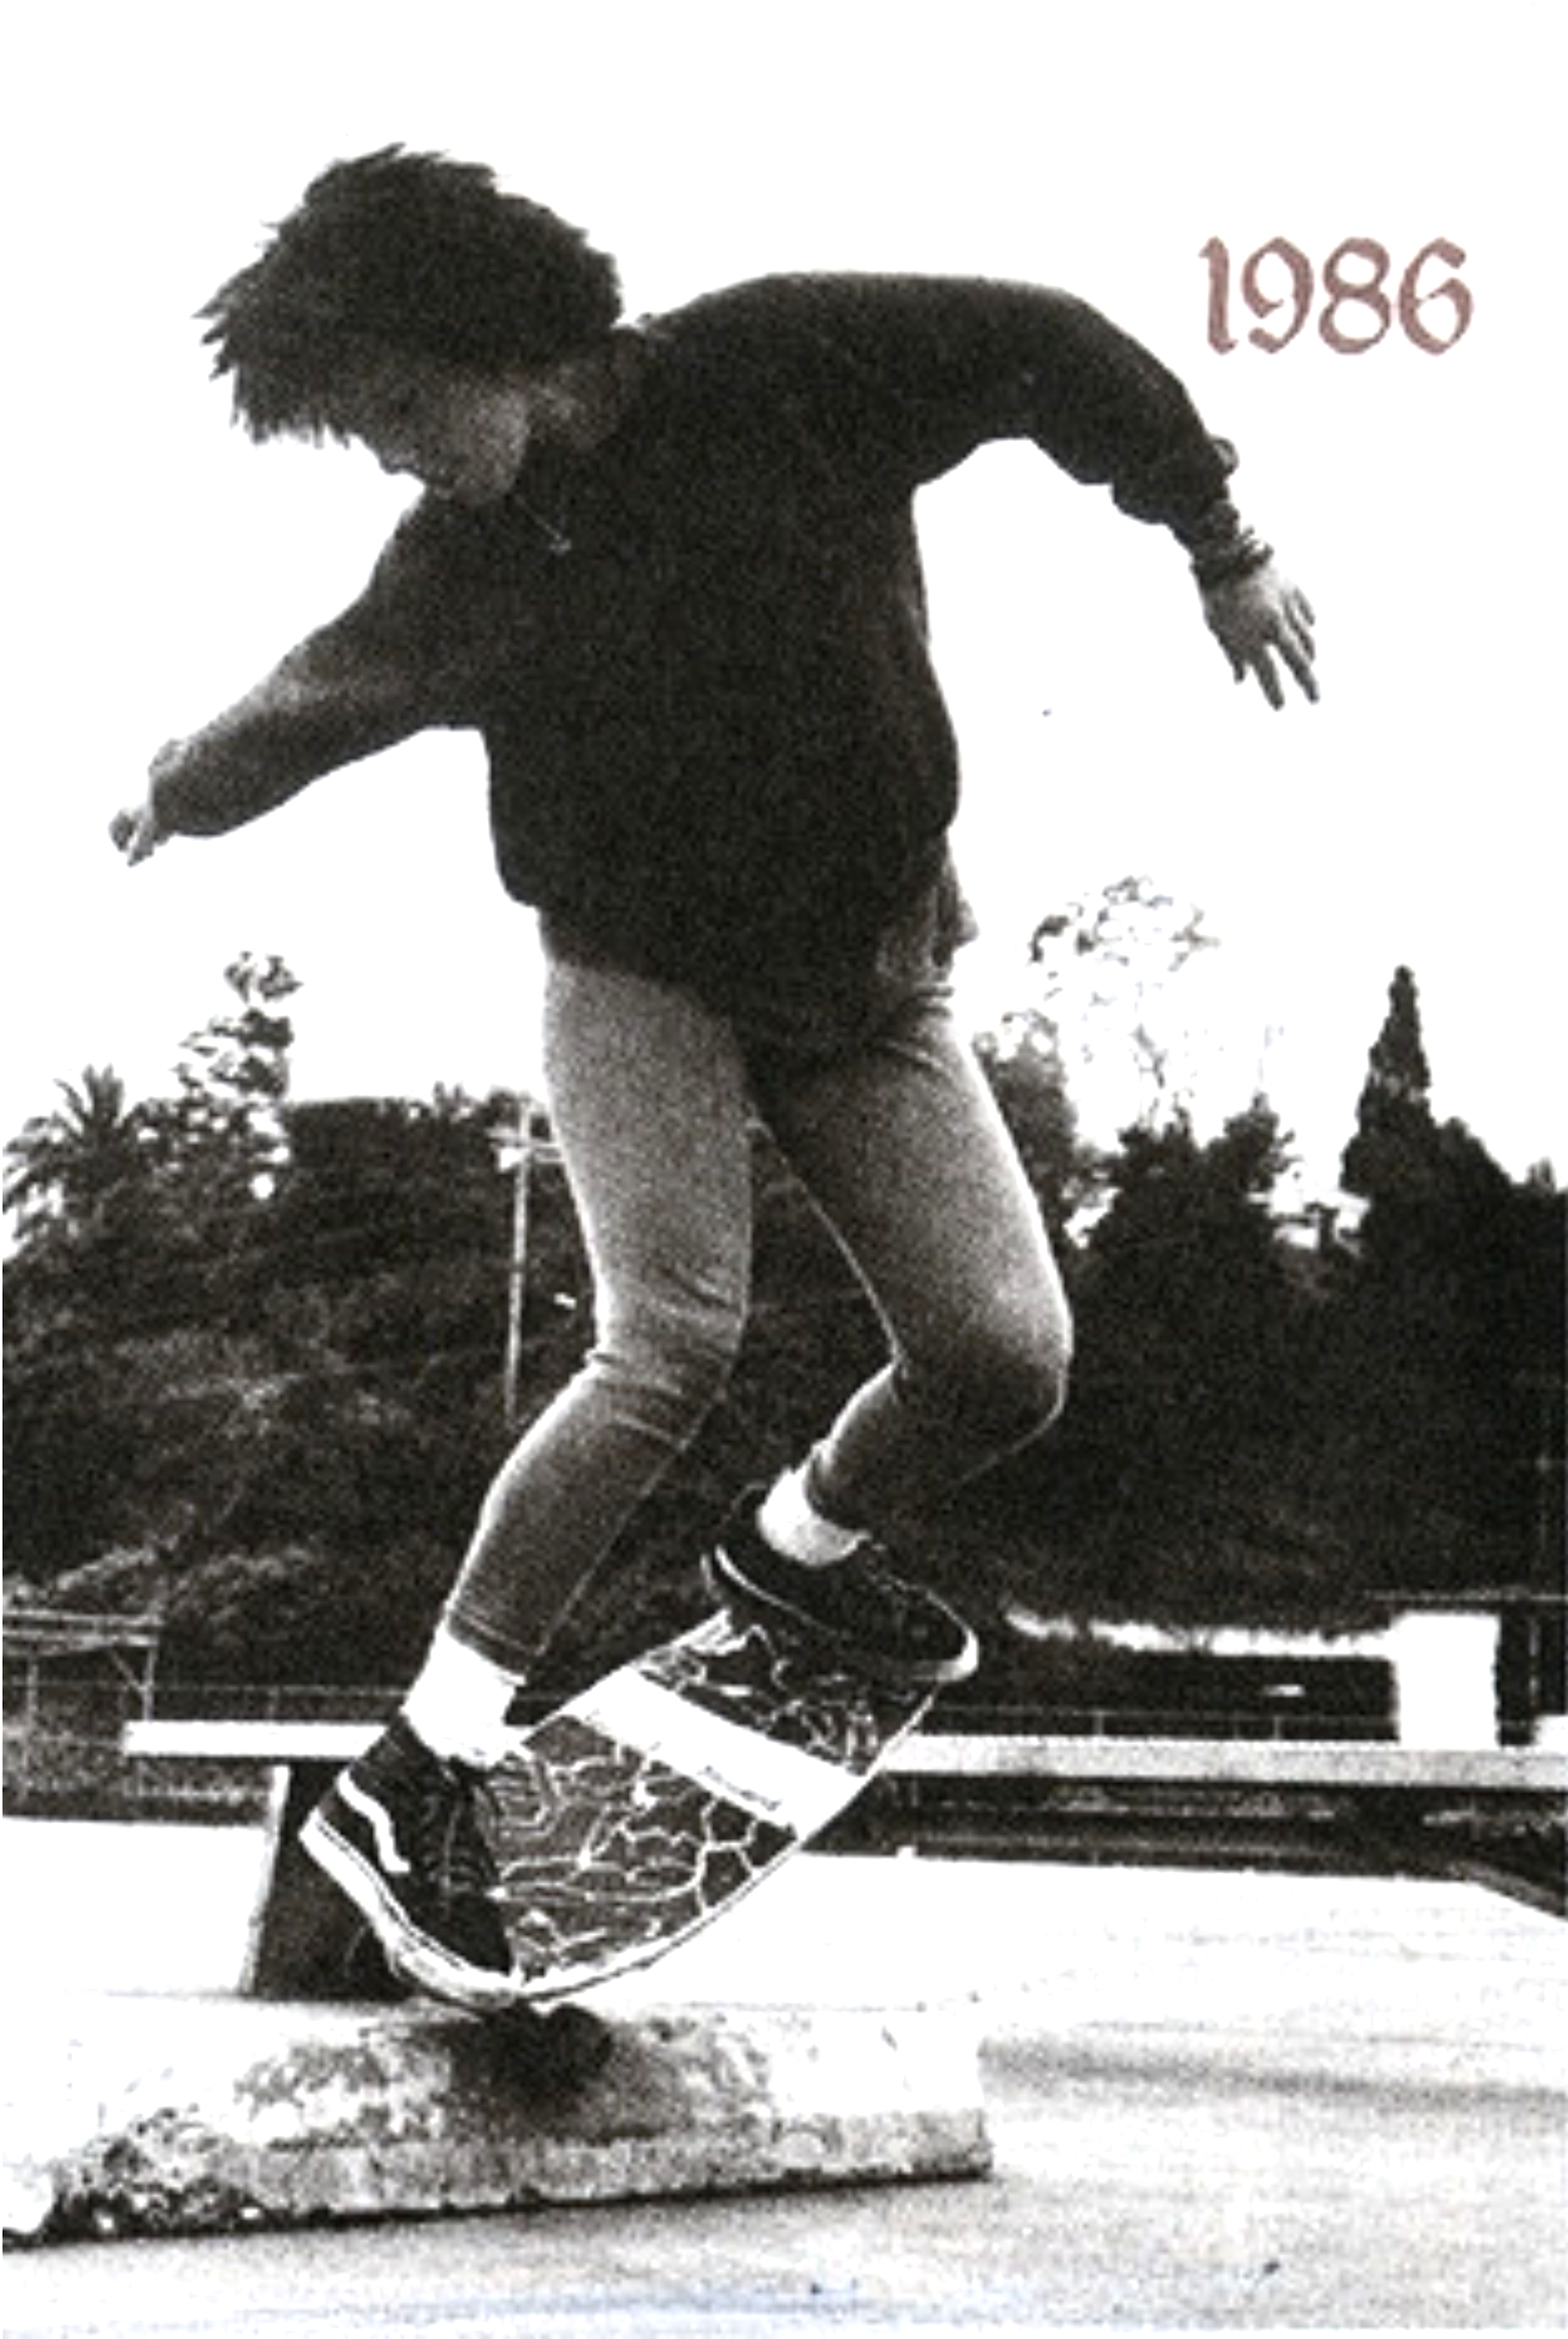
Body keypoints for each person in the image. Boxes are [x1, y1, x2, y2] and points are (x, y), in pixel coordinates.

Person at [112, 147, 1317, 2009]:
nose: (403, 459)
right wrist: (177, 786)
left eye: (409, 410)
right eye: (366, 437)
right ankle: (423, 1758)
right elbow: (319, 692)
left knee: (1005, 1355)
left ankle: (796, 1551)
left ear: (506, 335)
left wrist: (1214, 536)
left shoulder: (789, 367)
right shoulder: (464, 565)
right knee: (668, 1337)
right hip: (640, 983)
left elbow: (1055, 349)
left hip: (871, 979)